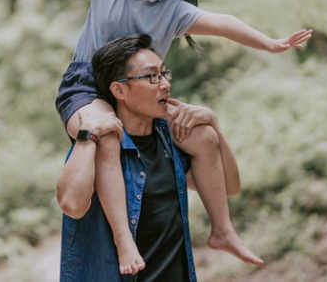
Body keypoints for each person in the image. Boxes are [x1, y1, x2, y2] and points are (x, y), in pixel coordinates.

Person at [18, 0, 312, 273]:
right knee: (107, 135)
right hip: (87, 88)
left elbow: (224, 24)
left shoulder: (173, 11)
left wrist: (270, 43)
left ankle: (222, 230)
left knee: (203, 135)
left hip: (142, 91)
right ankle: (124, 242)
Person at [58, 33, 238, 281]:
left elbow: (229, 187)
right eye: (152, 76)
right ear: (119, 89)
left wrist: (214, 125)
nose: (164, 83)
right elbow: (71, 205)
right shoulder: (99, 145)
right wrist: (87, 134)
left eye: (164, 74)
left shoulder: (169, 142)